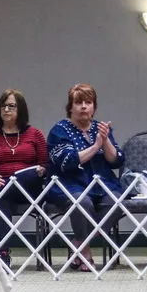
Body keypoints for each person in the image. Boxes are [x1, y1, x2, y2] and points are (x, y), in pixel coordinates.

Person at [46, 83, 124, 271]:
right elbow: (68, 161)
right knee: (82, 203)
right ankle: (86, 249)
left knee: (117, 202)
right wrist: (95, 146)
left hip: (102, 183)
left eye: (88, 102)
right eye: (78, 102)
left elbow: (116, 161)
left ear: (94, 107)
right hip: (69, 184)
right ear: (70, 107)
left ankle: (78, 243)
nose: (83, 106)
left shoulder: (101, 128)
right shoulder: (60, 130)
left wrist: (105, 142)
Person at [0, 89, 48, 268]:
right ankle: (2, 253)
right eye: (3, 106)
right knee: (1, 202)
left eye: (11, 106)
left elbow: (45, 163)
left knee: (22, 177)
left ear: (21, 109)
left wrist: (41, 170)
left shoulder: (35, 134)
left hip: (29, 188)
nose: (6, 110)